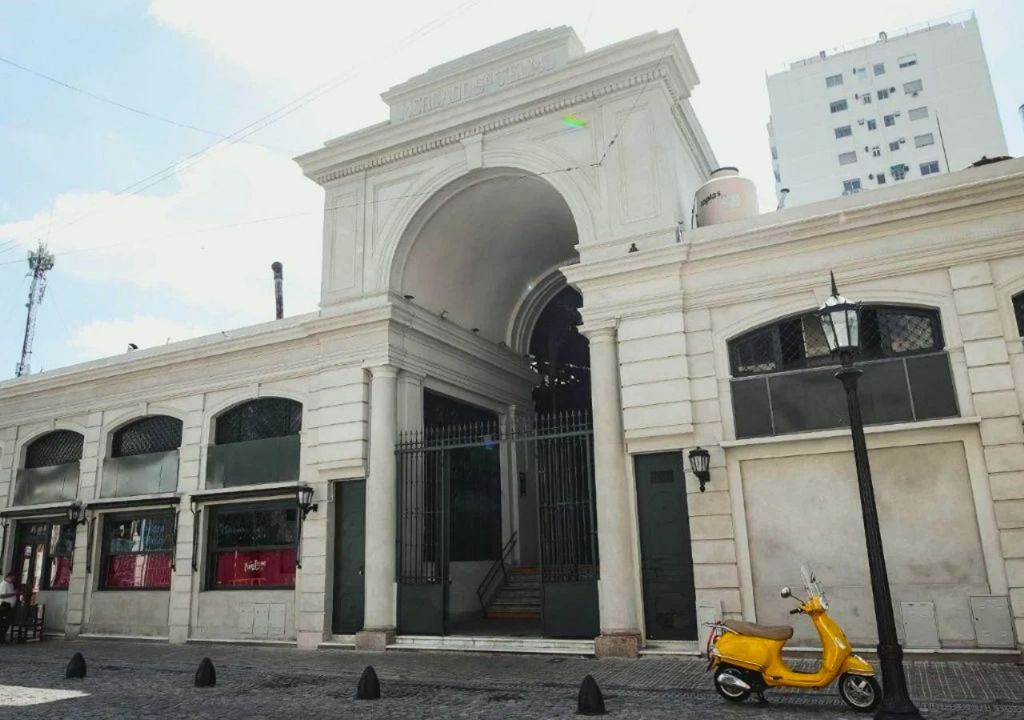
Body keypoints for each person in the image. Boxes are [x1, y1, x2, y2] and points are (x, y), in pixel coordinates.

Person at [0, 570, 17, 644]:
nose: (13, 580)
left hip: (10, 606)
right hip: (4, 606)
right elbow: (1, 595)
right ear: (8, 577)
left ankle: (3, 638)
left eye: (14, 579)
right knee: (3, 623)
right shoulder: (3, 584)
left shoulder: (11, 584)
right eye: (12, 579)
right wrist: (13, 594)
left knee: (7, 624)